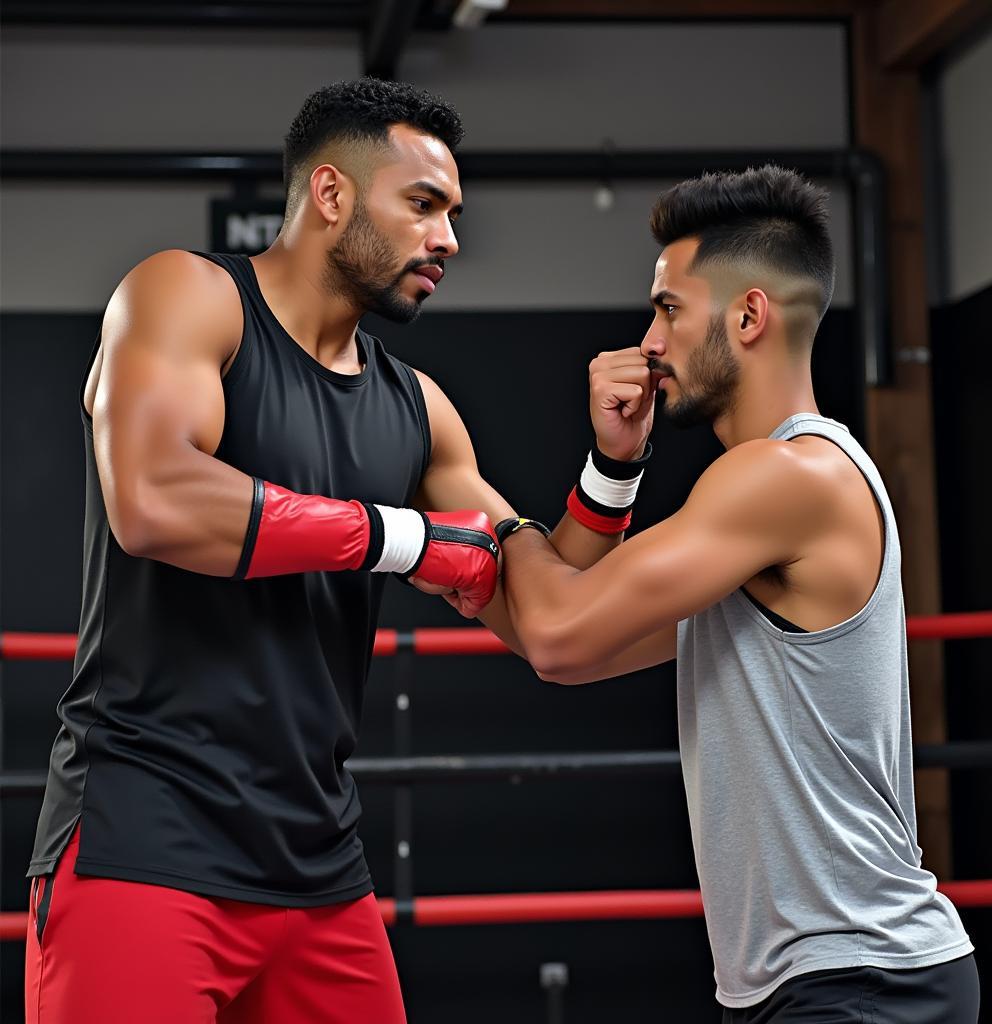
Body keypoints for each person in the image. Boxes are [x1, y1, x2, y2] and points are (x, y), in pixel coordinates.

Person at [23, 78, 613, 1024]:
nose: (450, 238)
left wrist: (613, 471)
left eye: (454, 214)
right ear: (332, 195)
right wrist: (404, 538)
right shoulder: (188, 297)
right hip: (147, 841)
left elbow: (554, 616)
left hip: (319, 871)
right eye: (423, 206)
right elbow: (153, 497)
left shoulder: (419, 410)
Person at [499, 165, 979, 1022]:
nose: (649, 341)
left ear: (749, 316)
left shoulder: (785, 477)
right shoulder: (761, 507)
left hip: (860, 978)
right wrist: (611, 471)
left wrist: (459, 510)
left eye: (670, 310)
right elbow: (571, 648)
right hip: (810, 980)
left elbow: (558, 630)